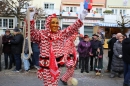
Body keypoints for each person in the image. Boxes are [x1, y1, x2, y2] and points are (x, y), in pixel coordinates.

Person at [26, 6, 87, 86]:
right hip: (46, 66)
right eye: (53, 23)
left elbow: (71, 28)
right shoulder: (42, 34)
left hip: (57, 65)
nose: (55, 25)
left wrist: (80, 19)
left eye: (57, 23)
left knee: (54, 83)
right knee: (49, 84)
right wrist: (30, 18)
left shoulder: (60, 34)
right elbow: (31, 34)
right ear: (48, 24)